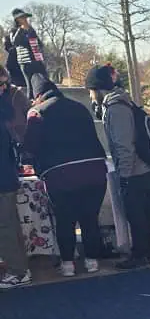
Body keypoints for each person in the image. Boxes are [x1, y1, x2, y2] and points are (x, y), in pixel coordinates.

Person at [23, 76, 107, 277]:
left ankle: (68, 264)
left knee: (65, 220)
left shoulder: (37, 112)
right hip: (95, 171)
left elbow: (30, 147)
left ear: (38, 95)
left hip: (61, 175)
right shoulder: (79, 107)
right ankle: (92, 261)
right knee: (90, 219)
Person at [86, 64, 150, 270]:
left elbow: (124, 145)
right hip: (144, 168)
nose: (90, 96)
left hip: (134, 171)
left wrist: (124, 176)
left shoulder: (116, 108)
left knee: (136, 215)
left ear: (98, 89)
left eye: (91, 91)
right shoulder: (124, 102)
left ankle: (141, 254)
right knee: (144, 215)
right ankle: (146, 252)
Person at [0, 74, 30, 289]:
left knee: (6, 227)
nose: (3, 88)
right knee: (10, 225)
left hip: (3, 178)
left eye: (3, 84)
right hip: (7, 176)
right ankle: (20, 268)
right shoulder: (5, 110)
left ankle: (17, 271)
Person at [9, 9, 47, 99]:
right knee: (30, 85)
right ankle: (30, 102)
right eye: (22, 17)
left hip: (36, 59)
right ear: (17, 20)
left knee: (44, 80)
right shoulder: (14, 30)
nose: (25, 19)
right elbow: (14, 42)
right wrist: (21, 30)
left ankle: (44, 99)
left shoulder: (31, 29)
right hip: (25, 61)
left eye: (25, 17)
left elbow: (39, 43)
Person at [0, 63, 29, 145]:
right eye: (0, 84)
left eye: (6, 82)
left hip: (15, 145)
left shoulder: (16, 95)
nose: (5, 87)